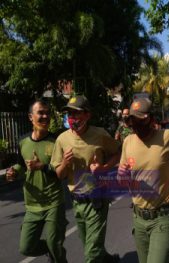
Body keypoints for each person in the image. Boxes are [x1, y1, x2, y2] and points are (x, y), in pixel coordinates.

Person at [118, 98, 169, 263]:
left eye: (140, 120)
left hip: (162, 217)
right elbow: (122, 181)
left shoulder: (167, 137)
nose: (136, 125)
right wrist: (122, 175)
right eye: (133, 120)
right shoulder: (128, 142)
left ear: (151, 120)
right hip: (139, 219)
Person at [50, 95, 120, 263]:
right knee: (90, 245)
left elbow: (118, 153)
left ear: (88, 115)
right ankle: (108, 259)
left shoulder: (100, 134)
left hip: (97, 200)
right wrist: (65, 163)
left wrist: (104, 168)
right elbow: (59, 175)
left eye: (77, 113)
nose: (73, 118)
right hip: (77, 202)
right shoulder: (62, 139)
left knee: (91, 254)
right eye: (70, 114)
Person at [6, 99, 67, 263]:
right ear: (30, 117)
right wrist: (14, 172)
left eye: (47, 113)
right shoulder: (22, 141)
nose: (45, 116)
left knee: (55, 242)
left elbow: (62, 172)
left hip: (53, 201)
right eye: (41, 112)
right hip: (32, 204)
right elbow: (21, 165)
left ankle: (57, 252)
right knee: (26, 248)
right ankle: (53, 249)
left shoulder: (56, 142)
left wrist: (43, 166)